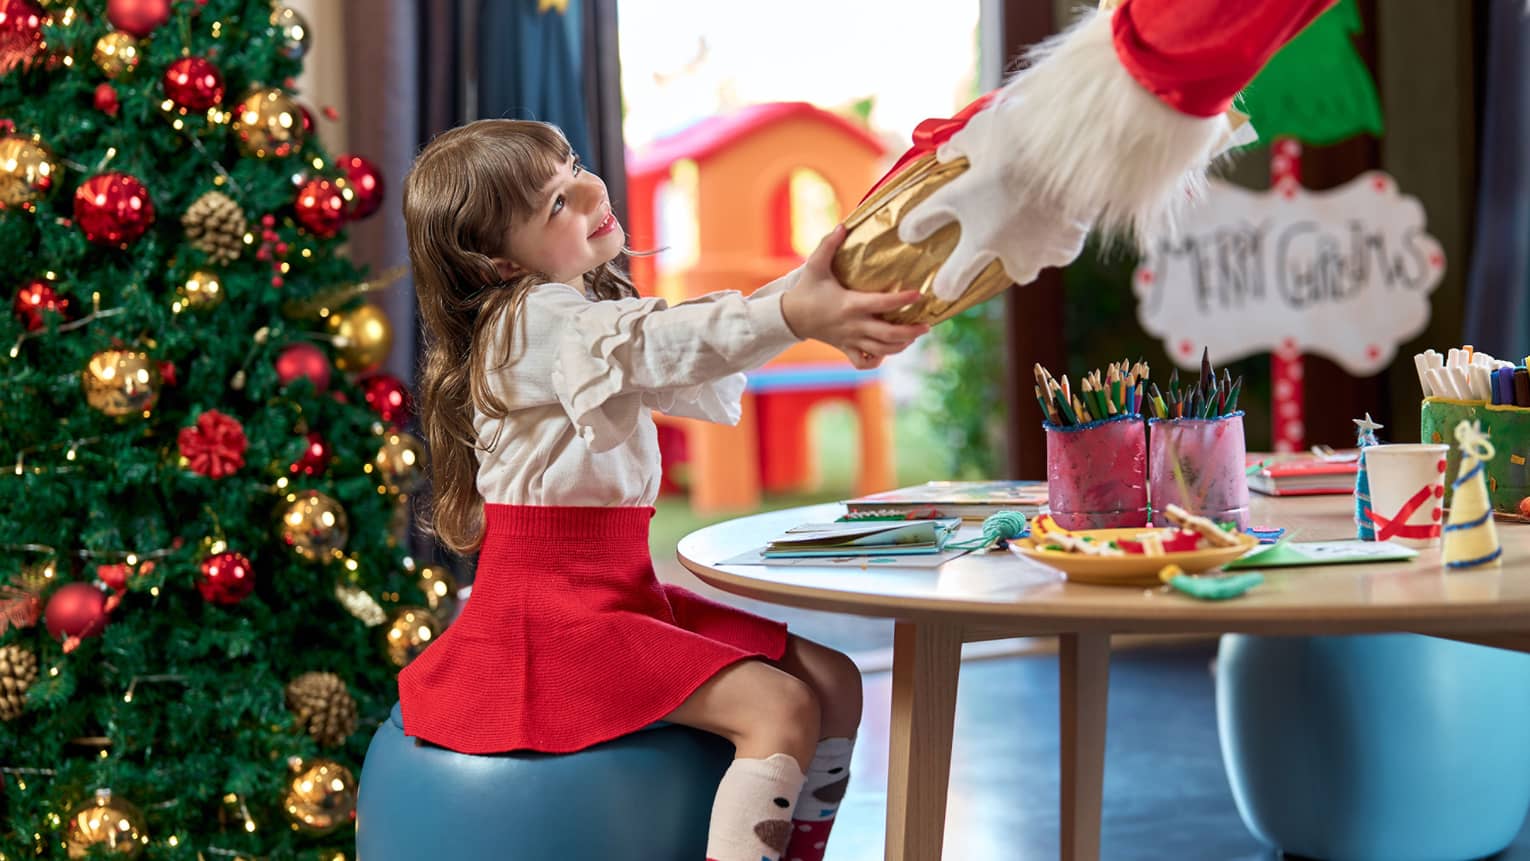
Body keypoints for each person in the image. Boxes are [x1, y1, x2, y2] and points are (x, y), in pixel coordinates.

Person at [397, 118, 928, 861]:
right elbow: (659, 341)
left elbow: (677, 343)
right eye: (555, 204)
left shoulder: (573, 317)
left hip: (615, 592)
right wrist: (794, 314)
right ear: (493, 263)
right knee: (779, 706)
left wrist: (807, 305)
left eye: (574, 167)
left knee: (835, 678)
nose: (588, 190)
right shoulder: (527, 322)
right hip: (546, 617)